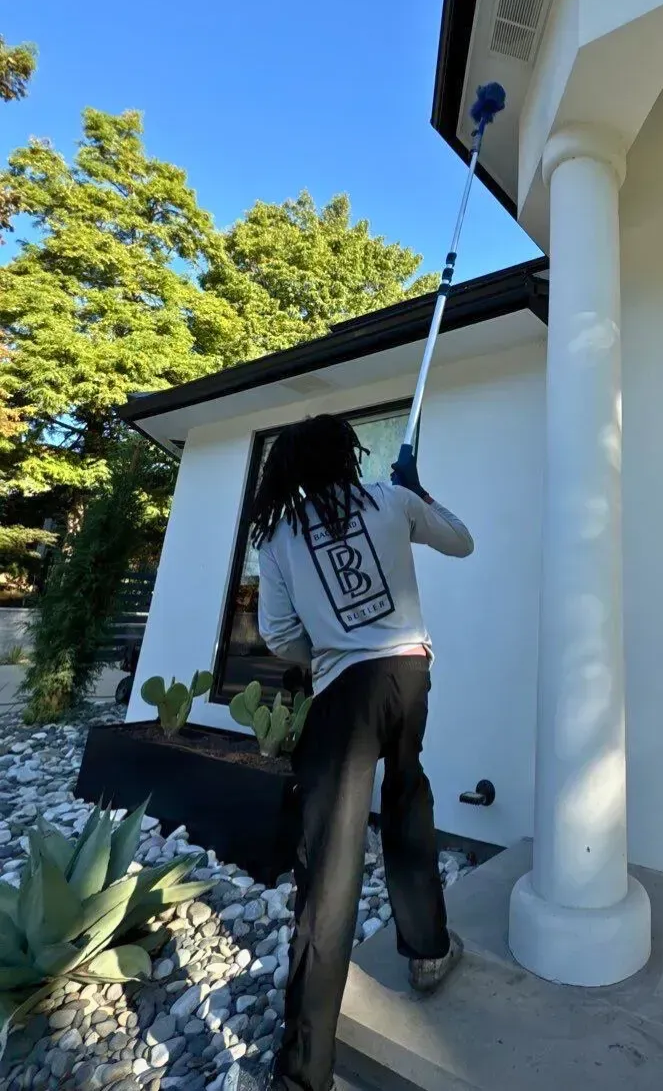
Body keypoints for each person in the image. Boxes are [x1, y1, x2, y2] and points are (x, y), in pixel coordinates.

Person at [225, 413, 474, 1091]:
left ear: (292, 472)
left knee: (330, 865)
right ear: (348, 456)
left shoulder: (280, 535)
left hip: (346, 695)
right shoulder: (392, 501)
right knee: (407, 802)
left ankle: (304, 1074)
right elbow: (462, 541)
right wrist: (419, 492)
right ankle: (428, 951)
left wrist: (332, 650)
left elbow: (280, 636)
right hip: (410, 677)